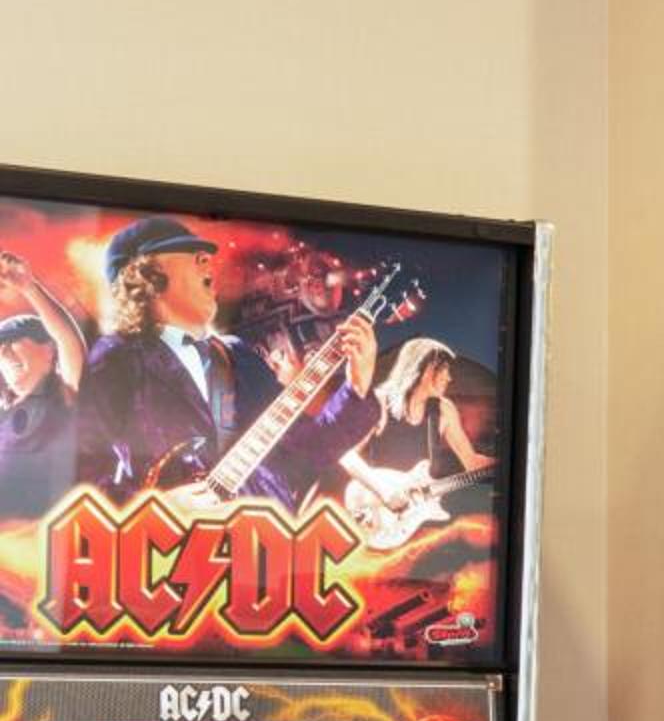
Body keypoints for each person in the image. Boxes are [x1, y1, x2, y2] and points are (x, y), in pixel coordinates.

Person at [72, 216, 376, 506]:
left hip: (264, 534)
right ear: (145, 275)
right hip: (176, 541)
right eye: (189, 253)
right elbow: (81, 472)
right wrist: (158, 507)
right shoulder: (117, 357)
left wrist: (357, 387)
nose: (206, 258)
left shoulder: (237, 354)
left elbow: (306, 450)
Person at [344, 336, 498, 522]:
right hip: (373, 508)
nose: (449, 378)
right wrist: (383, 491)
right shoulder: (380, 402)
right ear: (426, 370)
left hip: (412, 512)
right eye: (444, 370)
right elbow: (345, 454)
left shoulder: (443, 409)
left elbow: (471, 462)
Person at [0, 252, 83, 521]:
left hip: (50, 535)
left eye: (13, 342)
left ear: (49, 349)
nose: (4, 354)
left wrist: (29, 287)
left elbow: (68, 340)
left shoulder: (64, 394)